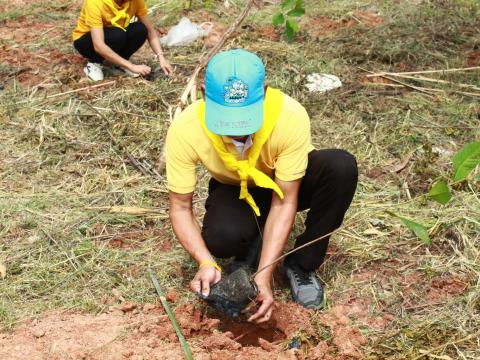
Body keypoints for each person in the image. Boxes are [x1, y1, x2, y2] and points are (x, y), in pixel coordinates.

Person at [166, 49, 358, 323]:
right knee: (221, 238)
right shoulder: (186, 128)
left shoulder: (289, 115)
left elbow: (284, 200)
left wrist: (265, 274)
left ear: (265, 91)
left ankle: (300, 265)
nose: (236, 130)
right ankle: (251, 245)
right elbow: (181, 208)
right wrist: (205, 261)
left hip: (286, 183)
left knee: (340, 167)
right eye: (226, 119)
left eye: (244, 117)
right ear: (204, 93)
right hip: (237, 188)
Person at [72, 0, 172, 81]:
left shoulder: (135, 1)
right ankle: (94, 62)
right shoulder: (95, 2)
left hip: (115, 34)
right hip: (86, 41)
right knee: (117, 34)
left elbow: (150, 31)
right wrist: (132, 66)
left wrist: (161, 57)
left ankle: (118, 64)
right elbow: (99, 45)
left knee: (140, 29)